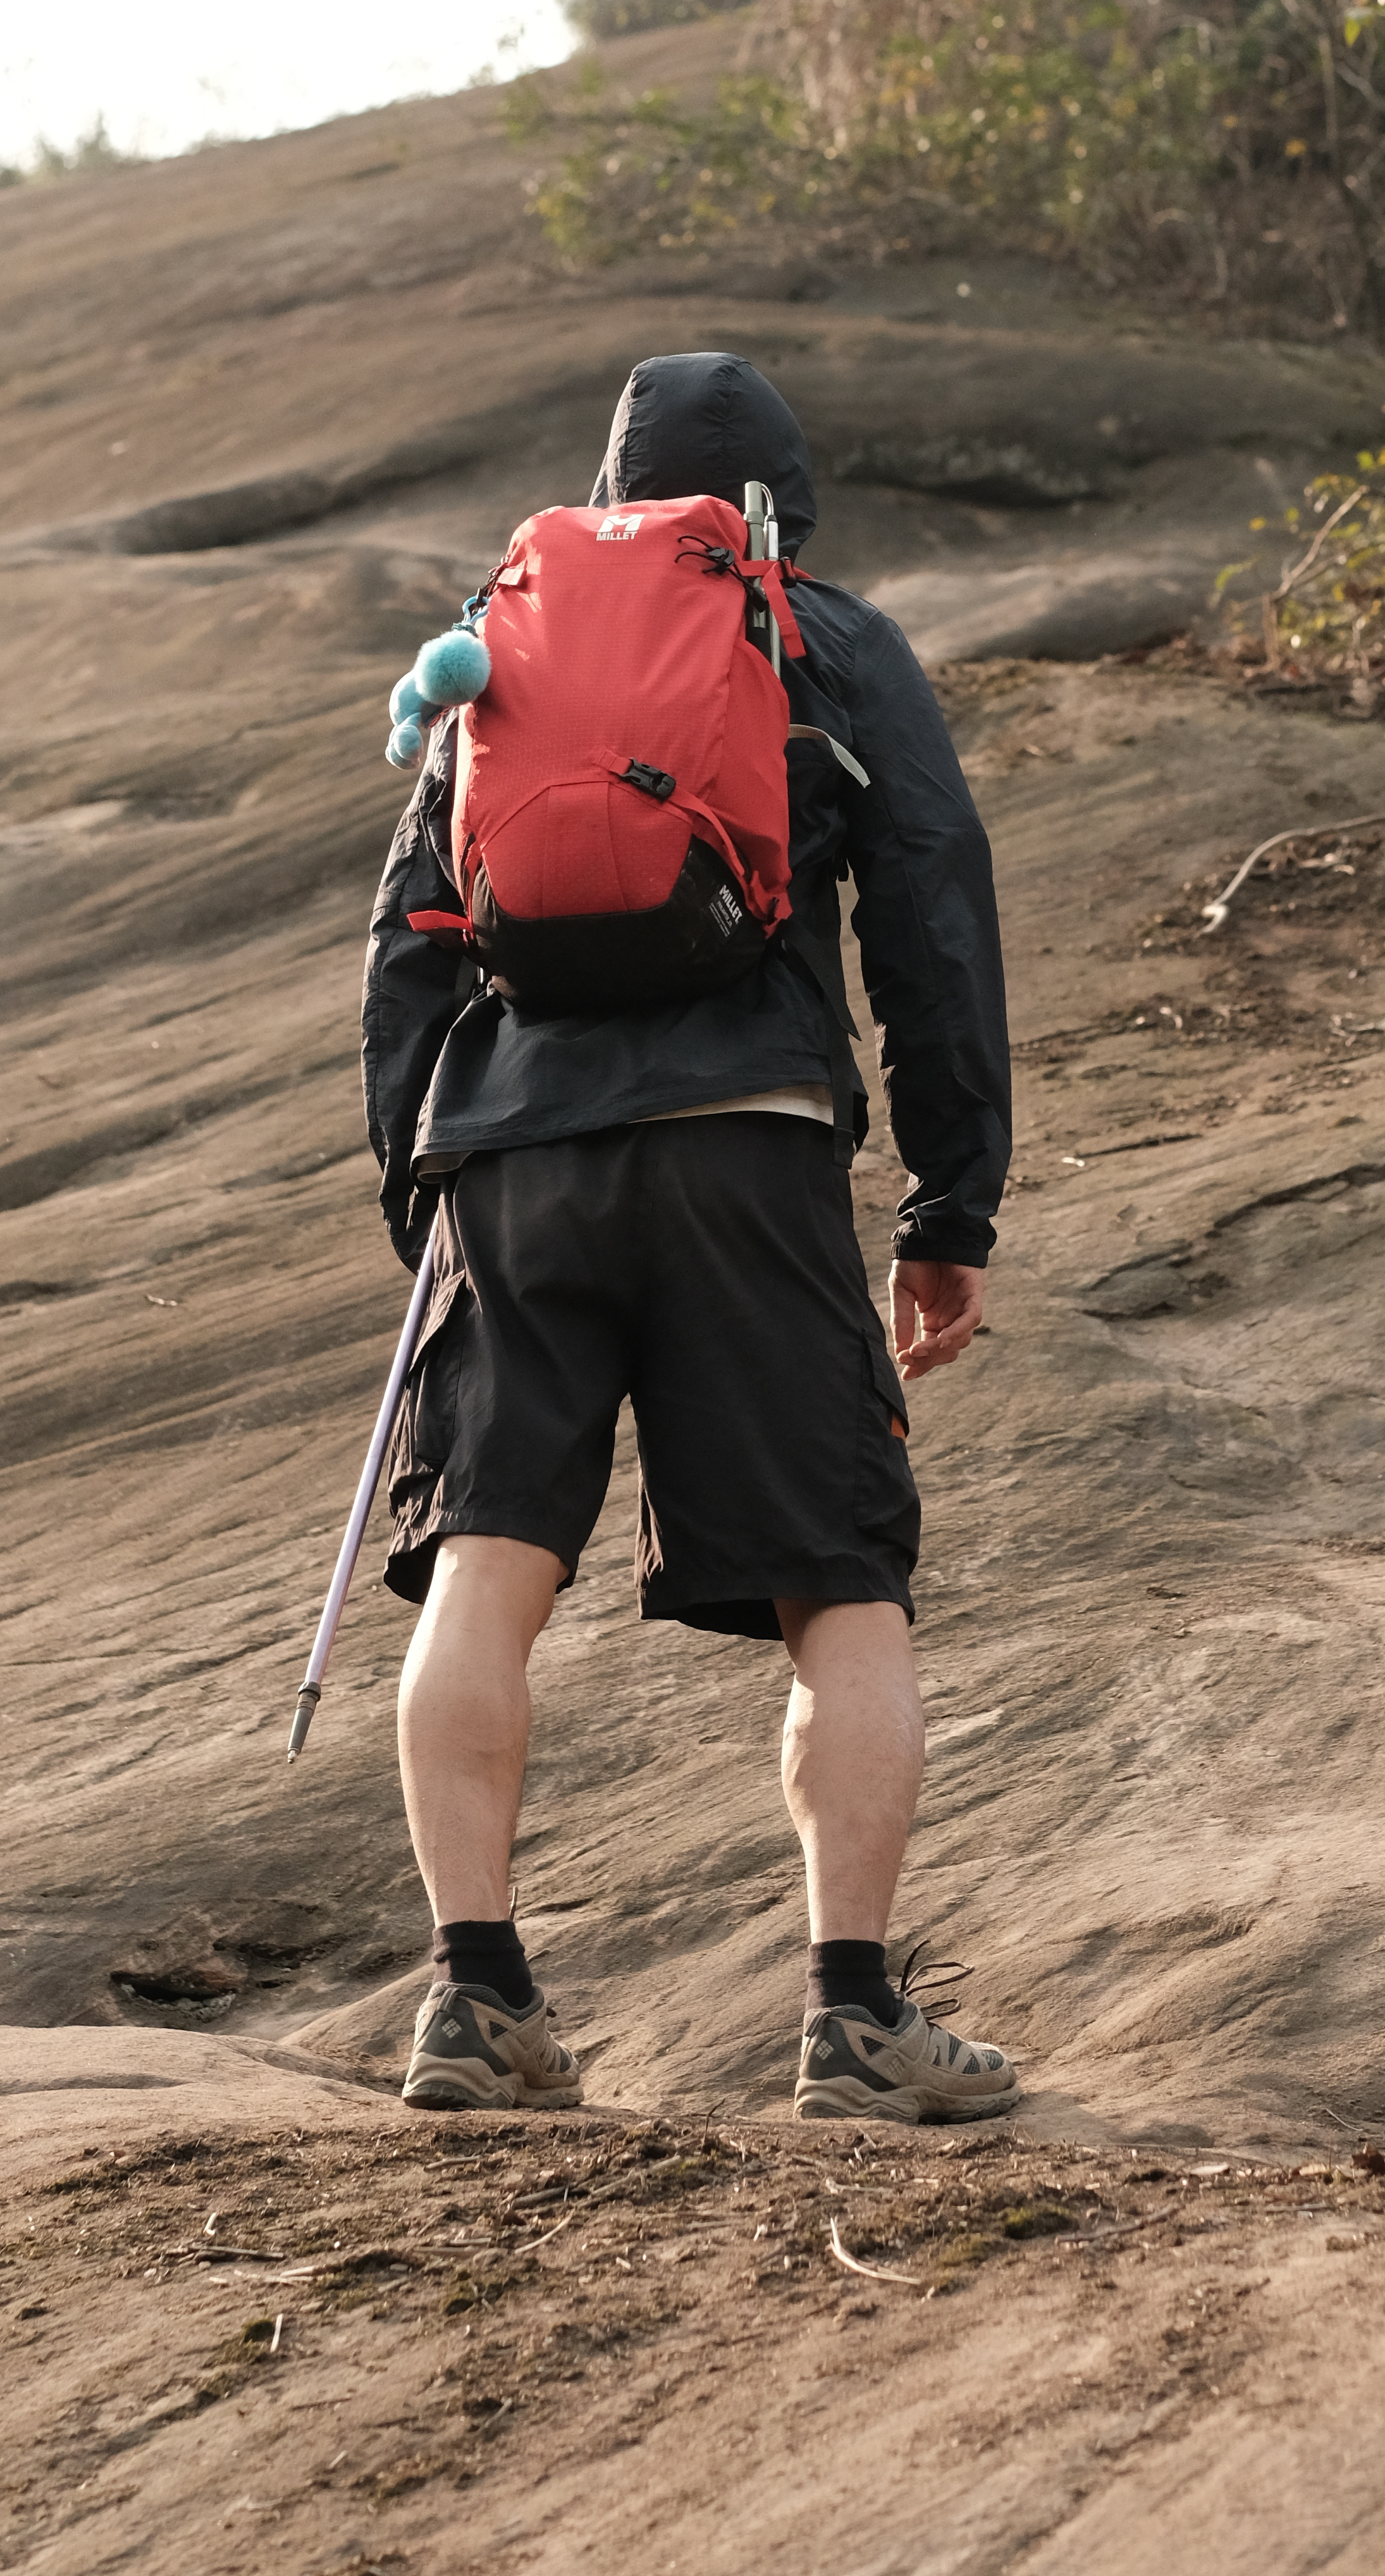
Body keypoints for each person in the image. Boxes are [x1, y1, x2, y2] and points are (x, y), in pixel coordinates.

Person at [359, 349, 1018, 2122]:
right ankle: (857, 2017)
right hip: (749, 1149)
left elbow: (416, 930)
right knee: (841, 1578)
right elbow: (935, 917)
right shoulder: (821, 637)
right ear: (772, 509)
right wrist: (953, 1202)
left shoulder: (509, 640)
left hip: (514, 1158)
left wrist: (424, 1184)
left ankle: (473, 1998)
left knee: (490, 1557)